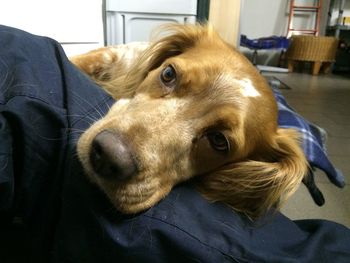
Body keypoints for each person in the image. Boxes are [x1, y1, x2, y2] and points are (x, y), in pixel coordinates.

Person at [0, 25, 349, 263]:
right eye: (170, 76)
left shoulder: (267, 162)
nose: (118, 151)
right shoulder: (156, 57)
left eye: (218, 140)